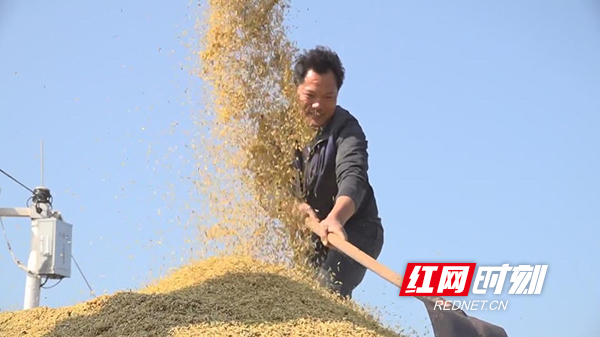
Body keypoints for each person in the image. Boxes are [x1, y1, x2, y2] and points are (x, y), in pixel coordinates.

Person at [292, 46, 384, 299]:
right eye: (310, 95)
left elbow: (353, 177)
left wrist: (336, 218)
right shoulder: (282, 130)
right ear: (296, 90)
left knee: (326, 291)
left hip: (355, 229)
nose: (318, 105)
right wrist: (293, 206)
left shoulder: (347, 130)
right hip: (312, 233)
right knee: (298, 296)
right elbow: (268, 181)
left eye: (329, 97)